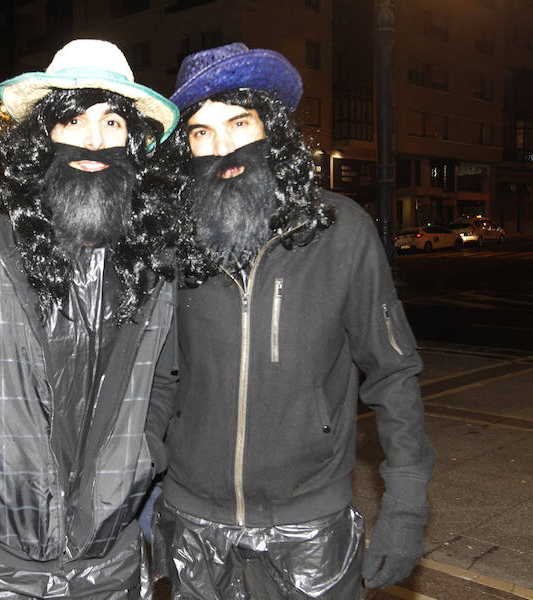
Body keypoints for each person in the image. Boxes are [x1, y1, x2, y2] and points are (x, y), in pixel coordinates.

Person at [0, 39, 182, 599]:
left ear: (132, 141)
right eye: (74, 119)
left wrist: (145, 453)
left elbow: (167, 378)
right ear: (44, 134)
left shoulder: (153, 260)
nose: (94, 139)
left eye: (112, 121)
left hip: (110, 560)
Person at [148, 43, 436, 598]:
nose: (223, 147)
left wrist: (405, 504)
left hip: (308, 526)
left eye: (239, 123)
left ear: (271, 130)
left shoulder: (341, 229)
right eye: (201, 133)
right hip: (193, 521)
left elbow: (393, 372)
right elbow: (162, 378)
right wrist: (138, 477)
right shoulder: (175, 242)